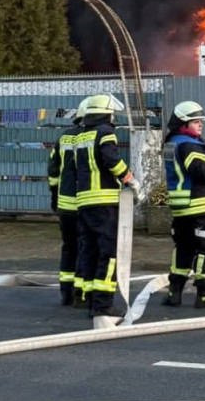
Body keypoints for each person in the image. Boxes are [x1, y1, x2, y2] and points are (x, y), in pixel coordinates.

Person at [74, 93, 138, 319]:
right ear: (106, 114)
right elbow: (111, 160)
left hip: (84, 202)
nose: (114, 119)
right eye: (112, 114)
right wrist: (130, 179)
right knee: (109, 253)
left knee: (89, 251)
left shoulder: (81, 136)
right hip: (104, 202)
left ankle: (92, 300)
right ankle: (103, 304)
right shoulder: (105, 133)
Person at [162, 101, 205, 308]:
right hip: (202, 207)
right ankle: (204, 294)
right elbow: (201, 171)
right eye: (195, 121)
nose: (200, 124)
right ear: (184, 123)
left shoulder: (173, 142)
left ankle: (174, 293)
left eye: (201, 121)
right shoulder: (189, 145)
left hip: (182, 209)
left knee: (183, 248)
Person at [47, 96, 91, 307]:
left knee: (69, 247)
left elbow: (53, 172)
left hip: (65, 204)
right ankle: (80, 293)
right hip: (85, 203)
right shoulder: (93, 137)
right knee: (85, 247)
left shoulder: (64, 138)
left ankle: (66, 291)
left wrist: (55, 196)